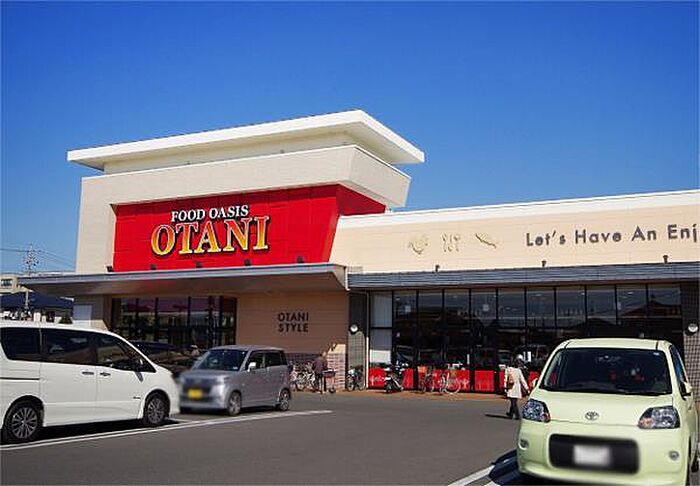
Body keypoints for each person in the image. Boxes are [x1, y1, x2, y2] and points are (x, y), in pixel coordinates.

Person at [504, 355, 529, 420]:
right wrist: (526, 388)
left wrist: (505, 387)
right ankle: (510, 414)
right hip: (517, 387)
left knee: (513, 402)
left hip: (510, 387)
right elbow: (522, 380)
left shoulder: (508, 370)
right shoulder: (518, 371)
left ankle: (517, 415)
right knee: (514, 401)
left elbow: (505, 379)